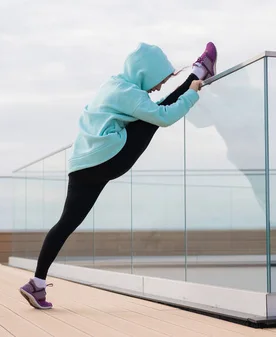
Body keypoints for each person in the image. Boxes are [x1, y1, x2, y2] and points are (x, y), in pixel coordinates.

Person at [19, 42, 218, 309]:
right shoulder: (128, 94)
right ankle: (199, 71)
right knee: (153, 119)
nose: (158, 86)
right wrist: (192, 95)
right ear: (145, 72)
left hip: (81, 165)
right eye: (158, 80)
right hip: (109, 158)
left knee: (65, 224)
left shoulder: (113, 85)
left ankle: (37, 284)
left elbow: (156, 107)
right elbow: (165, 116)